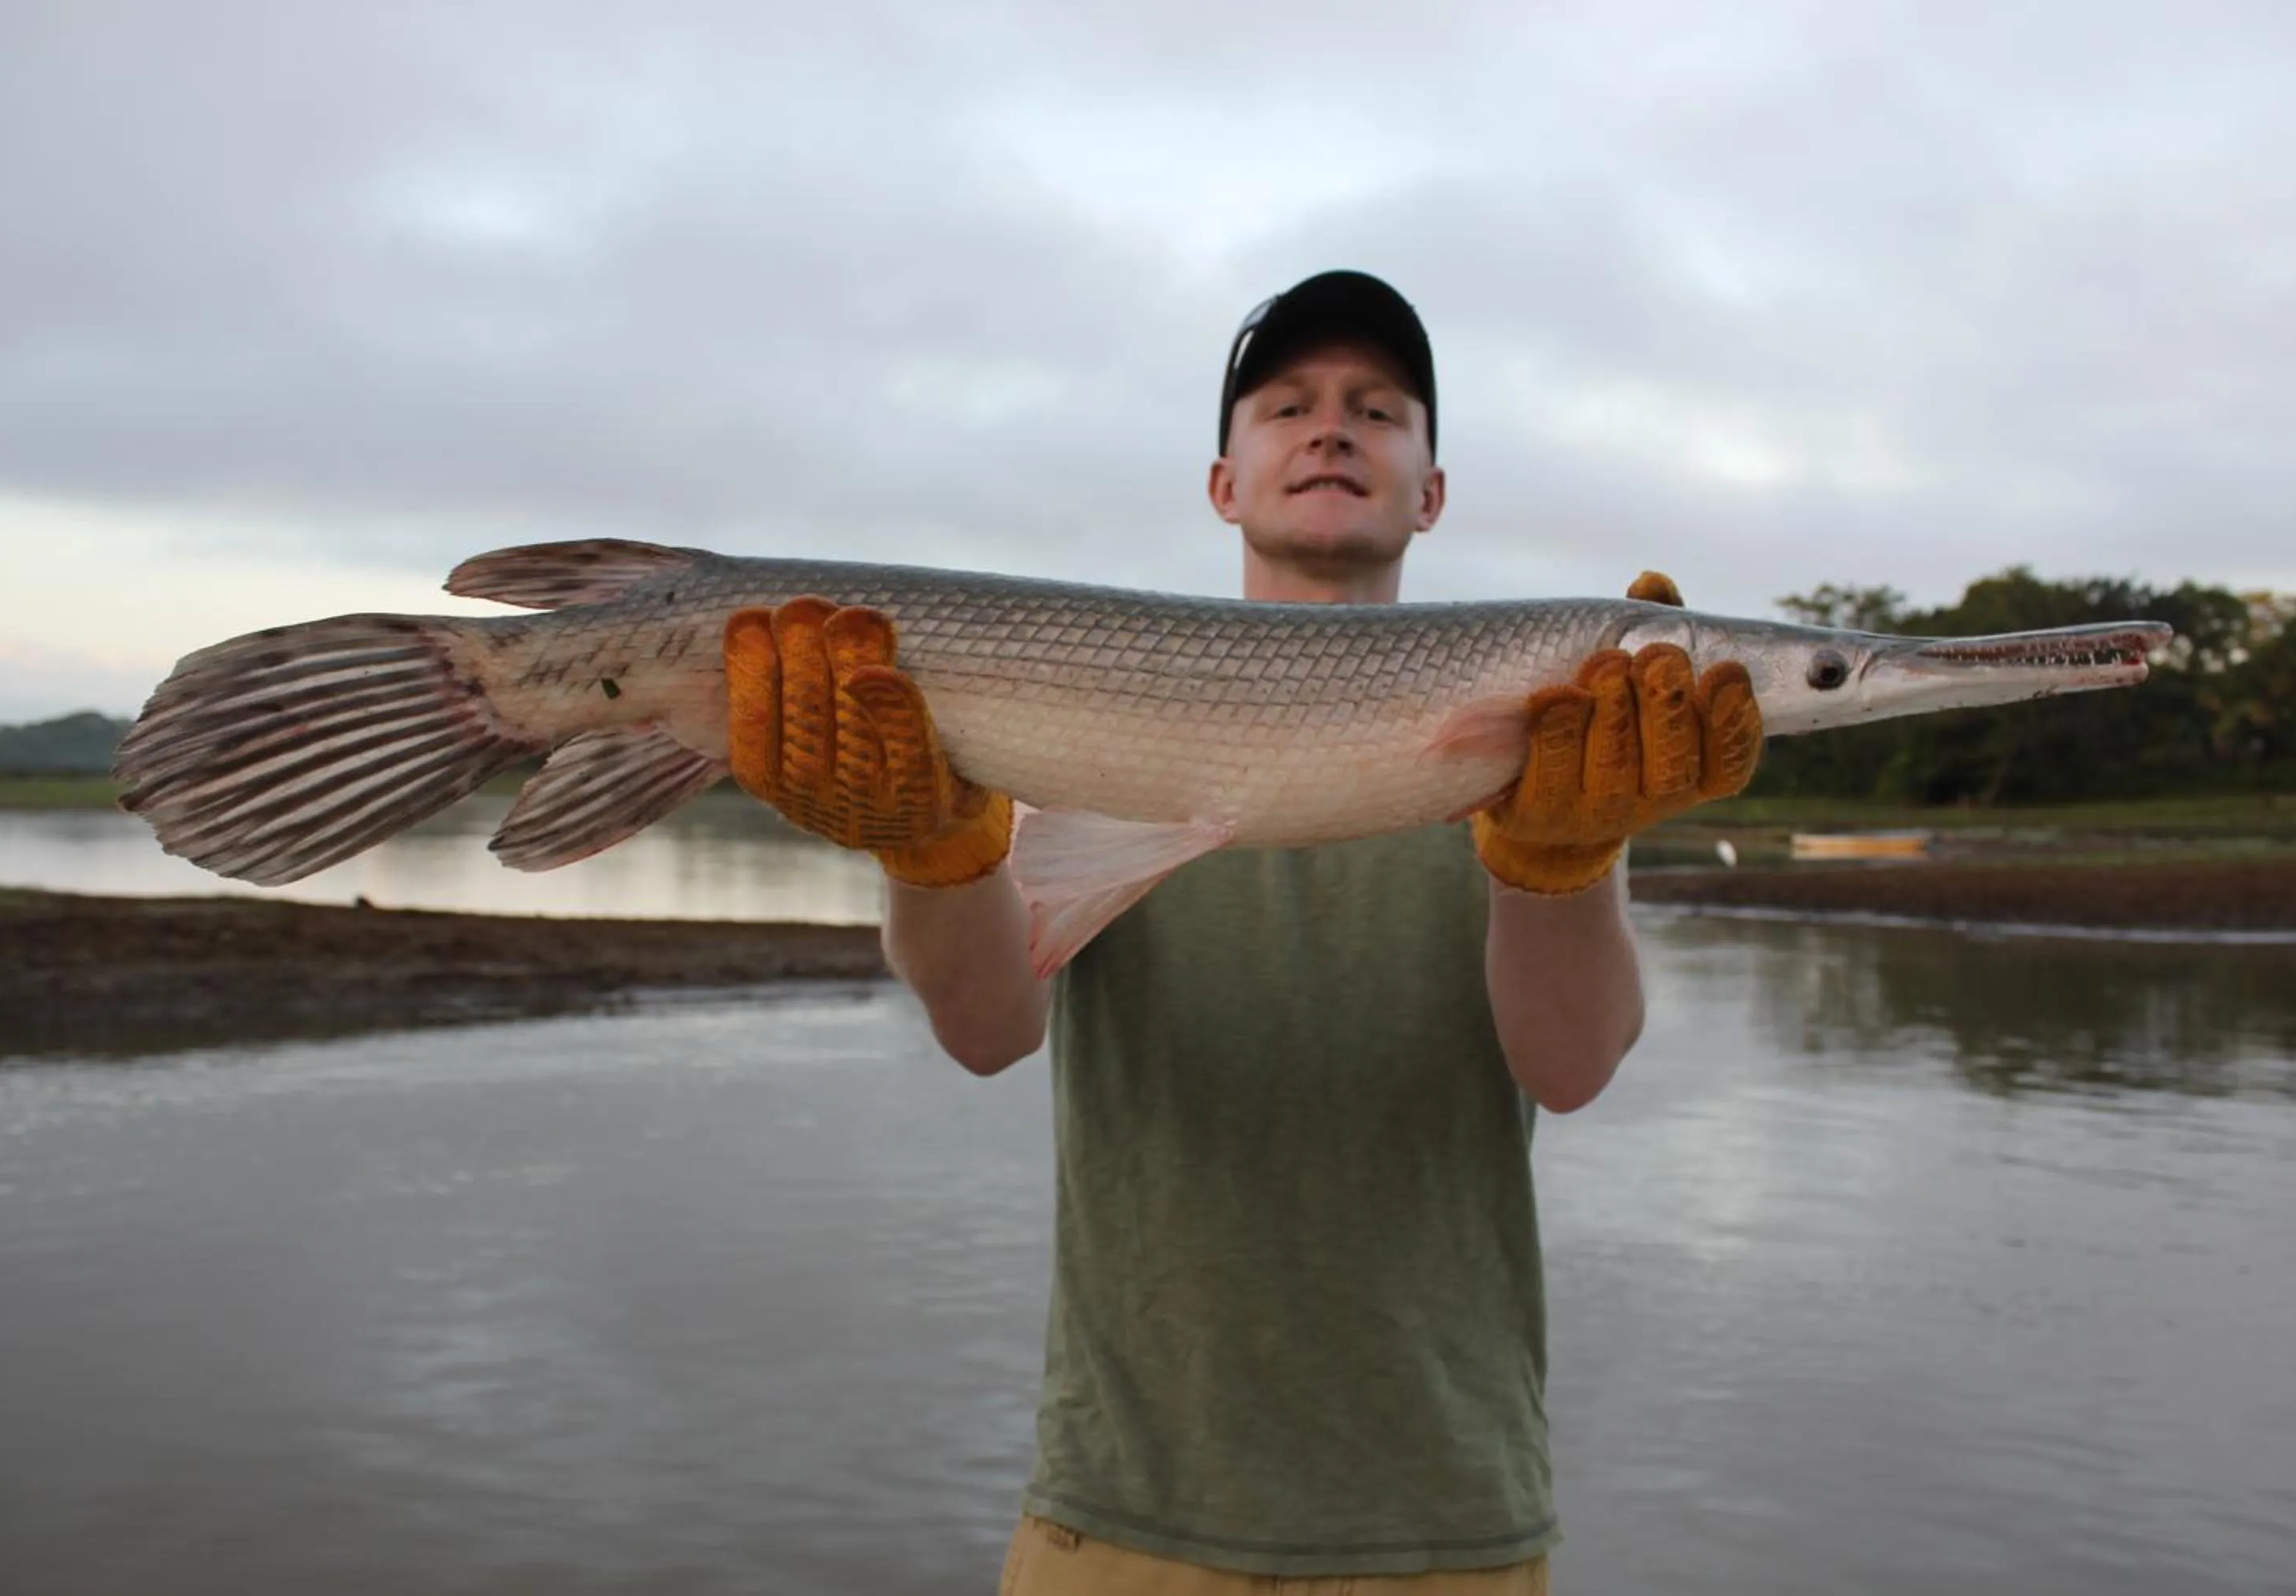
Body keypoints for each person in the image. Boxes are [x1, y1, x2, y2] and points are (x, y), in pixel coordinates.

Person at [722, 271, 1762, 1592]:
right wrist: (926, 848)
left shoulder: (1551, 748)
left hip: (1449, 1529)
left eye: (1380, 410)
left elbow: (1573, 1065)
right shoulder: (1085, 733)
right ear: (1224, 481)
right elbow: (987, 1029)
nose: (1334, 429)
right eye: (1289, 406)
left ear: (1432, 491)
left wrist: (1559, 860)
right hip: (1118, 1522)